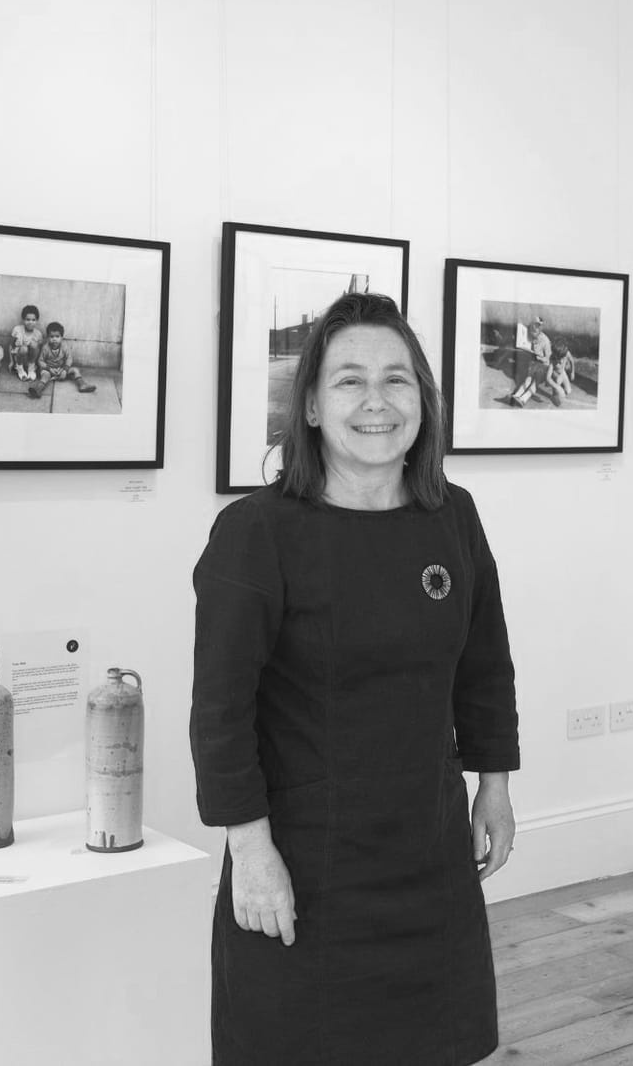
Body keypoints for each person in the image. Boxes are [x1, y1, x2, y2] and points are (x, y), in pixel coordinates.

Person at [191, 290, 521, 1066]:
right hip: (304, 864)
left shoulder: (453, 516)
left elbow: (484, 663)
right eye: (348, 380)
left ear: (423, 399)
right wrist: (251, 851)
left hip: (429, 855)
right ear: (309, 405)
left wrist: (495, 784)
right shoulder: (255, 533)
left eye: (397, 378)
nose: (376, 400)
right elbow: (221, 711)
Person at [29, 321, 98, 398]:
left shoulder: (64, 346)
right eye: (51, 337)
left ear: (62, 337)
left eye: (57, 336)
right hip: (49, 370)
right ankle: (38, 389)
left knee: (75, 370)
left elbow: (69, 358)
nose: (54, 339)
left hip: (61, 370)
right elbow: (40, 361)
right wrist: (49, 368)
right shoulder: (46, 348)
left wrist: (65, 369)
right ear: (48, 337)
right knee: (45, 375)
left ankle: (82, 384)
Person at [505, 317, 554, 407]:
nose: (532, 334)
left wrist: (539, 358)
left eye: (534, 332)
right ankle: (516, 396)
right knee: (528, 379)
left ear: (539, 330)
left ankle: (523, 399)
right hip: (534, 363)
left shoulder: (546, 341)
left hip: (544, 366)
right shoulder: (532, 336)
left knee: (535, 382)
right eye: (531, 331)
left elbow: (548, 358)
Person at [9, 304, 44, 382]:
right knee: (24, 348)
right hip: (19, 358)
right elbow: (11, 346)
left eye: (33, 320)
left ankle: (31, 369)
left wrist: (39, 363)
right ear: (23, 319)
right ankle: (20, 369)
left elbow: (40, 350)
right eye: (28, 319)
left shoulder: (38, 334)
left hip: (31, 360)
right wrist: (11, 361)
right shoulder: (17, 329)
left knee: (34, 345)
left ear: (37, 320)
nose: (30, 322)